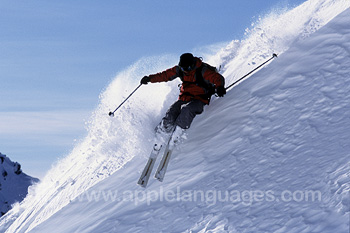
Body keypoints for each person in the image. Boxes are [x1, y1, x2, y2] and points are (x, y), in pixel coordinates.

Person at [140, 53, 226, 143]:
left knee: (187, 110)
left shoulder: (202, 71)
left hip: (200, 99)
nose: (186, 71)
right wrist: (150, 79)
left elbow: (218, 78)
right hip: (184, 98)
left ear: (192, 65)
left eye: (187, 68)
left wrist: (220, 87)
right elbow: (165, 75)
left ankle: (178, 133)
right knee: (172, 111)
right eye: (183, 68)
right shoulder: (179, 70)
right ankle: (158, 136)